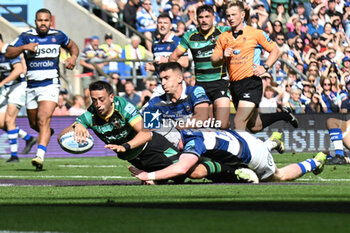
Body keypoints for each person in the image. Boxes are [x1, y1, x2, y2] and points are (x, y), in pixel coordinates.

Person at [5, 8, 79, 169]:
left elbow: (74, 47)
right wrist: (25, 47)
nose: (43, 23)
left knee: (43, 120)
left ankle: (39, 156)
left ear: (50, 21)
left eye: (46, 20)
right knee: (34, 124)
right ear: (35, 21)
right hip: (31, 86)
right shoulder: (26, 37)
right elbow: (9, 52)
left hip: (50, 84)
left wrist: (73, 57)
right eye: (40, 20)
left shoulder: (58, 35)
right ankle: (46, 133)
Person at [58, 81, 182, 176]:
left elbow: (146, 134)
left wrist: (125, 146)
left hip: (152, 147)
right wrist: (77, 125)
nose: (98, 105)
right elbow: (60, 138)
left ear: (111, 97)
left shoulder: (123, 107)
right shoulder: (90, 115)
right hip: (135, 160)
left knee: (189, 171)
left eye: (101, 99)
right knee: (164, 177)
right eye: (94, 100)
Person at [211, 0, 298, 133]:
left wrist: (266, 67)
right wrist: (223, 55)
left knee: (239, 121)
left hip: (251, 82)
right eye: (228, 15)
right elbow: (214, 60)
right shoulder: (224, 37)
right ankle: (284, 115)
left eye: (234, 14)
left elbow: (276, 51)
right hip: (234, 85)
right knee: (254, 126)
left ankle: (239, 154)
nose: (230, 18)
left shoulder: (255, 33)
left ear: (242, 15)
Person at [129, 128, 326, 183]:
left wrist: (149, 175)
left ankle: (314, 162)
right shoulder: (194, 133)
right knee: (213, 159)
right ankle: (272, 142)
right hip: (244, 138)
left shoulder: (192, 143)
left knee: (278, 175)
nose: (176, 149)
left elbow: (181, 168)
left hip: (253, 154)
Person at [170, 4, 231, 129]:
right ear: (197, 19)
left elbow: (242, 29)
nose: (204, 20)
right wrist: (177, 76)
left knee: (222, 124)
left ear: (213, 17)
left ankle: (230, 135)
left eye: (207, 16)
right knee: (204, 124)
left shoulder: (223, 32)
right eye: (201, 17)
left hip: (220, 83)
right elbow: (173, 57)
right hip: (200, 86)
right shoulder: (190, 36)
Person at [0, 34, 37, 162]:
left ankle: (14, 155)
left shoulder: (9, 51)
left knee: (9, 120)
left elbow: (19, 69)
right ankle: (28, 138)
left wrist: (2, 83)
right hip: (6, 89)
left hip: (17, 87)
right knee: (1, 123)